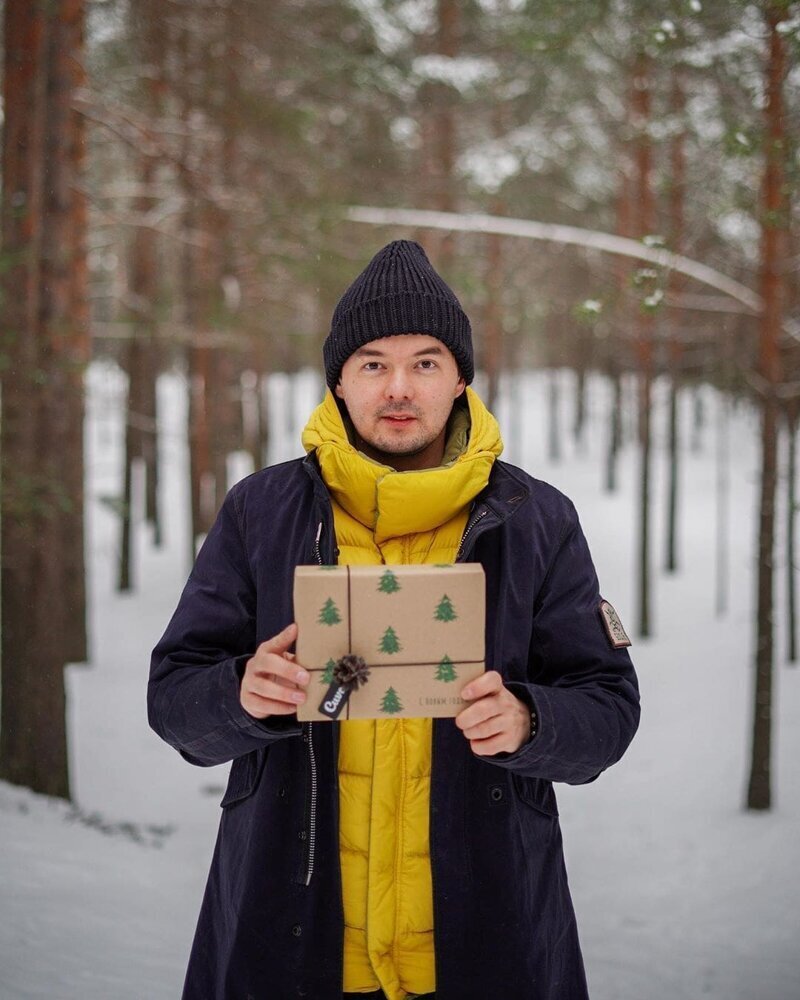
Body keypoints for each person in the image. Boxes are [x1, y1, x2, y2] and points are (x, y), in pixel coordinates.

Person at [148, 239, 640, 1000]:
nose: (399, 387)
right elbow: (174, 698)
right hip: (295, 947)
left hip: (484, 947)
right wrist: (241, 696)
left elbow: (608, 707)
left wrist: (531, 722)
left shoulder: (534, 518)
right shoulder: (263, 512)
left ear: (461, 378)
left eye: (426, 361)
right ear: (340, 382)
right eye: (373, 363)